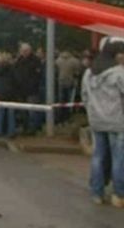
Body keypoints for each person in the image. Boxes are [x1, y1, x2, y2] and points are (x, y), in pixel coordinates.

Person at [81, 37, 124, 208]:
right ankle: (118, 194)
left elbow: (84, 96)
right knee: (118, 159)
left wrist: (92, 113)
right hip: (117, 121)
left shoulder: (89, 72)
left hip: (97, 120)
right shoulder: (119, 73)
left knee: (98, 157)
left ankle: (96, 192)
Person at [13, 43, 42, 134]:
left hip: (32, 90)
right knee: (23, 112)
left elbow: (37, 76)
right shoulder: (19, 61)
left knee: (32, 111)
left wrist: (32, 85)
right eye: (22, 51)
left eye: (26, 51)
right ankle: (25, 127)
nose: (24, 53)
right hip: (21, 90)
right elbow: (15, 72)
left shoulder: (35, 61)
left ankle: (33, 128)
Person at [55, 51, 82, 123]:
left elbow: (56, 72)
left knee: (61, 100)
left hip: (60, 82)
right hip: (71, 82)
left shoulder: (58, 61)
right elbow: (78, 72)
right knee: (70, 100)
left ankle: (60, 116)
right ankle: (68, 116)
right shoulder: (75, 61)